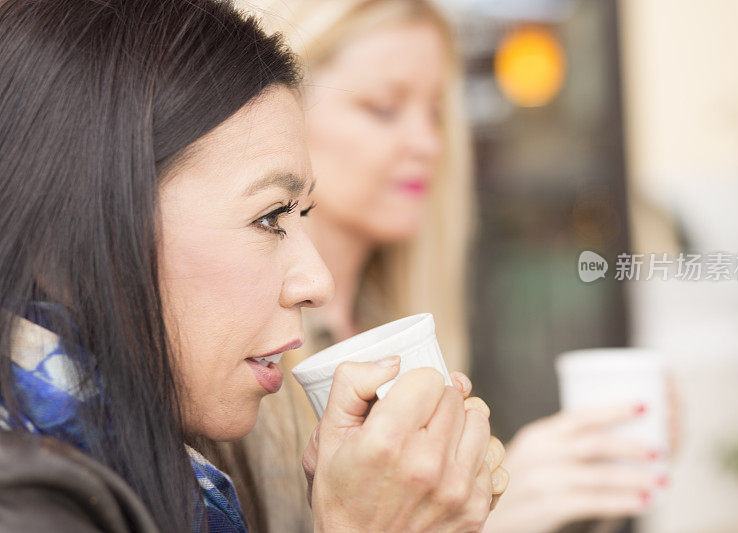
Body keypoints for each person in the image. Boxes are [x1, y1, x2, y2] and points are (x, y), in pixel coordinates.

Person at [0, 1, 502, 531]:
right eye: (269, 217)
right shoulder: (27, 502)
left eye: (302, 215)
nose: (318, 283)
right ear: (70, 237)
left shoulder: (155, 476)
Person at [226, 1, 669, 532]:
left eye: (436, 113)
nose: (428, 143)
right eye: (384, 107)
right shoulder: (240, 368)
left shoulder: (395, 318)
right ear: (282, 114)